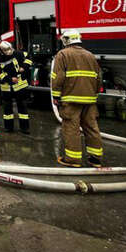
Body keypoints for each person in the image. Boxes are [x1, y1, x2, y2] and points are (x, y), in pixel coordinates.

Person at [51, 30, 104, 167]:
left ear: (66, 40)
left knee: (71, 129)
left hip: (70, 100)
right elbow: (99, 77)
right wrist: (95, 95)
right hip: (90, 99)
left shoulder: (63, 54)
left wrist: (56, 96)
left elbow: (58, 78)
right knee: (92, 127)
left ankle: (73, 159)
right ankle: (95, 158)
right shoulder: (90, 55)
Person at [0, 41, 32, 133]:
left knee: (22, 107)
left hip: (19, 86)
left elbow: (29, 57)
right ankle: (8, 127)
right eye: (6, 50)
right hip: (6, 87)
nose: (9, 52)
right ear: (1, 51)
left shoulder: (18, 53)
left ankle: (24, 128)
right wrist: (9, 79)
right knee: (7, 109)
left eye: (9, 49)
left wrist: (24, 67)